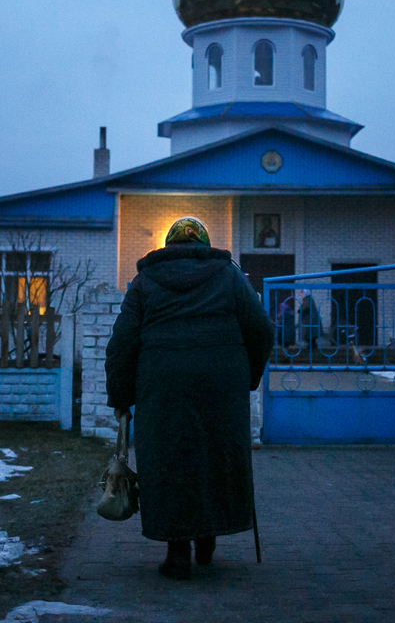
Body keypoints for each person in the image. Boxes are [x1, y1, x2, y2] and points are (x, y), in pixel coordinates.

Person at [105, 216, 274, 580]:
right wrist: (248, 378)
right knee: (214, 457)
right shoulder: (229, 275)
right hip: (221, 384)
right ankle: (207, 537)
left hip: (161, 386)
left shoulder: (146, 281)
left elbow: (122, 342)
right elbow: (261, 328)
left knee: (169, 461)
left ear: (169, 245)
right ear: (204, 244)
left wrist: (121, 396)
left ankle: (177, 553)